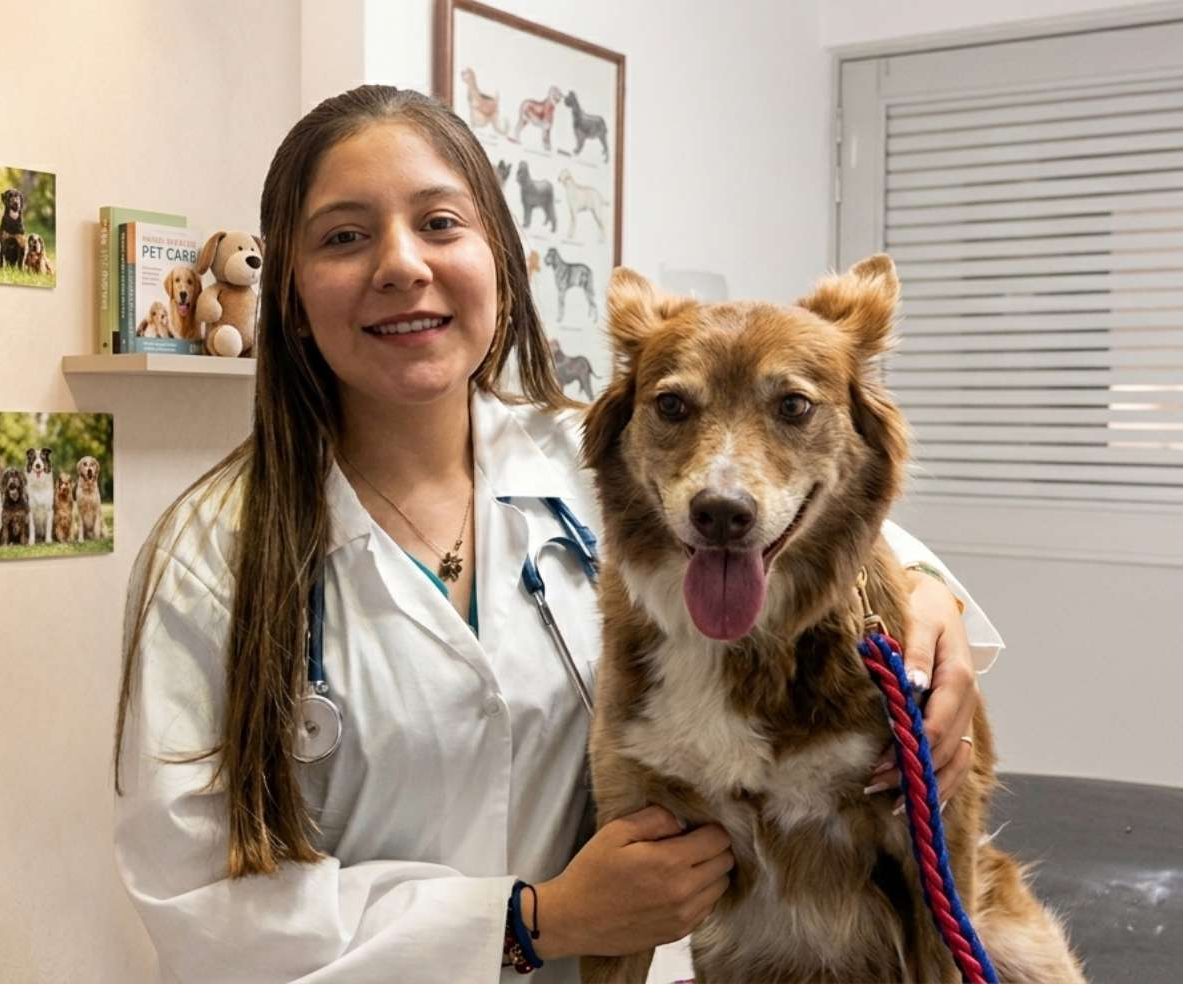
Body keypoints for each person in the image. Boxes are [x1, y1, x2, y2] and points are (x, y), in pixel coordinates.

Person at [113, 85, 1004, 984]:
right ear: (291, 293)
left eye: (439, 223)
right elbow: (201, 909)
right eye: (344, 237)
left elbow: (797, 513)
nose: (402, 265)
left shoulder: (590, 459)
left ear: (500, 260)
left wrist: (931, 600)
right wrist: (533, 921)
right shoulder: (212, 556)